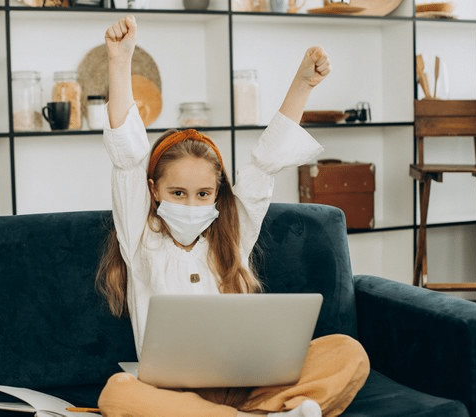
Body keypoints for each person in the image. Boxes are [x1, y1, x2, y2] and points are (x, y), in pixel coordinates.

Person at [96, 15, 369, 417]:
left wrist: (303, 84)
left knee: (348, 351)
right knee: (117, 392)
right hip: (169, 396)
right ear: (153, 191)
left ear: (218, 194)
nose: (191, 204)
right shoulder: (140, 239)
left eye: (203, 193)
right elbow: (127, 157)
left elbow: (265, 162)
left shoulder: (232, 233)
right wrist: (120, 63)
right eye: (177, 193)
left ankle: (257, 411)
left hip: (245, 386)